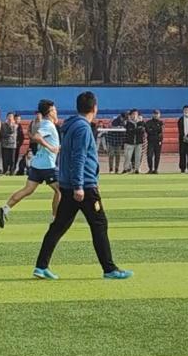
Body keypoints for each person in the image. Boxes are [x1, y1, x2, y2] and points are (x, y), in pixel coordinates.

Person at [32, 91, 133, 281]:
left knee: (59, 226)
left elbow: (67, 155)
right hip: (83, 186)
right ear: (95, 108)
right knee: (99, 224)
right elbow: (79, 157)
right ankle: (109, 269)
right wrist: (79, 185)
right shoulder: (83, 128)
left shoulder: (70, 125)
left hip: (70, 184)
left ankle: (41, 266)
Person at [0, 99, 63, 229]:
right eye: (55, 110)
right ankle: (55, 219)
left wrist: (56, 147)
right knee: (60, 190)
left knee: (28, 190)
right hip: (47, 165)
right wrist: (51, 148)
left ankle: (5, 209)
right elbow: (37, 137)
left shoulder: (45, 124)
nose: (56, 112)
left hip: (37, 164)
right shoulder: (48, 125)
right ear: (50, 112)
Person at [122, 109, 144, 174]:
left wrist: (135, 130)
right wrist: (137, 129)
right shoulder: (128, 123)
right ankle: (126, 169)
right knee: (128, 157)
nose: (134, 116)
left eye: (136, 114)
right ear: (130, 115)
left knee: (138, 157)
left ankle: (137, 169)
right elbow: (129, 131)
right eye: (133, 114)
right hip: (129, 142)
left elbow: (142, 131)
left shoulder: (141, 122)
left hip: (138, 142)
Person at [145, 109, 164, 174]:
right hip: (150, 141)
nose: (156, 115)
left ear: (159, 115)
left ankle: (156, 169)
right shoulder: (148, 122)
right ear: (152, 114)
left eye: (157, 114)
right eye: (154, 114)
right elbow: (148, 131)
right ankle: (150, 169)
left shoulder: (161, 122)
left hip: (158, 141)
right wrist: (155, 131)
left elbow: (160, 131)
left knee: (157, 156)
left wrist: (152, 130)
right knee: (149, 155)